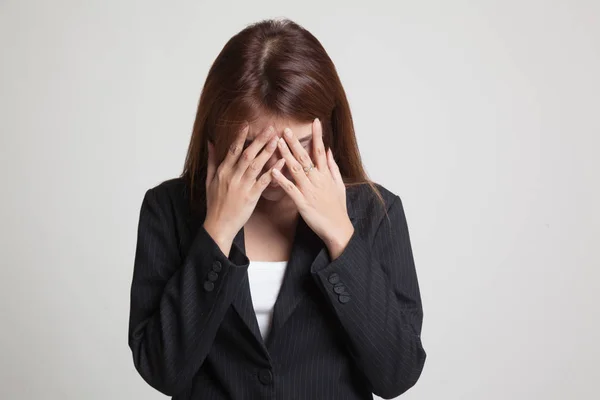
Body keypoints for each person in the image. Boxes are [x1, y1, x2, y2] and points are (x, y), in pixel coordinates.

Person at [128, 18, 426, 400]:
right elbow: (161, 370)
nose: (278, 168)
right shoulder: (167, 209)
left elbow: (397, 375)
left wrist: (341, 237)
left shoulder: (375, 212)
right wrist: (216, 232)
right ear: (217, 134)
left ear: (328, 131)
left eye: (298, 145)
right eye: (256, 146)